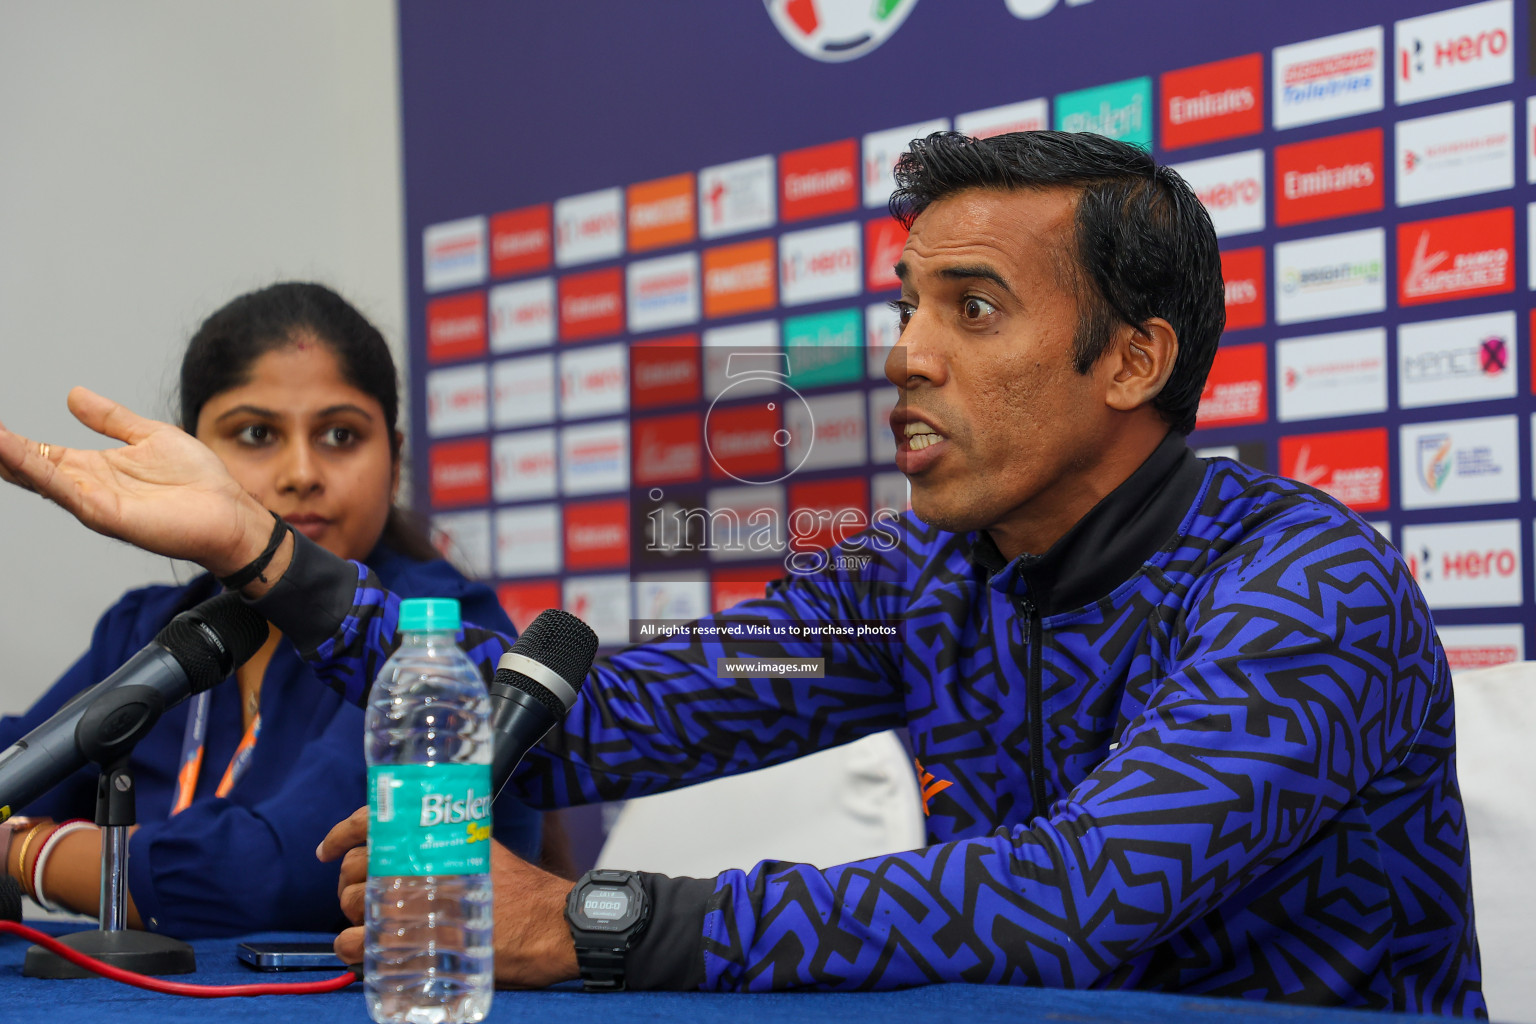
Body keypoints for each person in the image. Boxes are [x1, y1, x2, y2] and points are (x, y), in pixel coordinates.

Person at [0, 133, 1484, 1016]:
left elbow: (1073, 899)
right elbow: (600, 719)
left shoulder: (1305, 589)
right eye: (908, 303)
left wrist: (590, 923)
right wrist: (268, 560)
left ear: (1135, 360)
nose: (905, 354)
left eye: (974, 308)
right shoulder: (918, 580)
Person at [0, 282, 541, 937]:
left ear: (394, 462)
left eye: (341, 435)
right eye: (257, 433)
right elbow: (17, 773)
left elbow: (280, 874)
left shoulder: (439, 626)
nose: (302, 472)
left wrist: (27, 851)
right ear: (182, 457)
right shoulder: (145, 628)